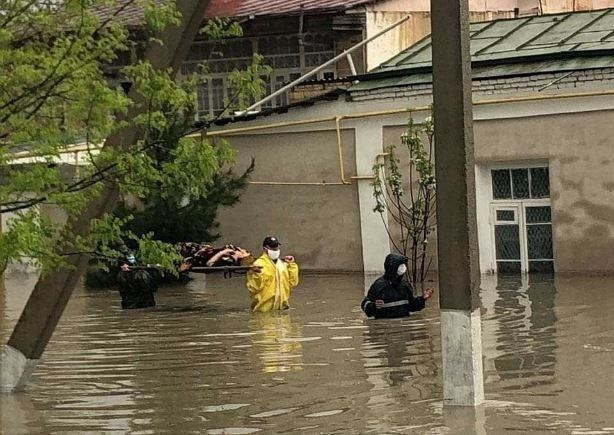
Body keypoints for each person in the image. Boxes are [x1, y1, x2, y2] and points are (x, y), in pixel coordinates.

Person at [361, 253, 433, 319]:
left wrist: (423, 298)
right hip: (385, 328)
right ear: (392, 267)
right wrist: (373, 306)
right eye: (400, 265)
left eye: (403, 265)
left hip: (404, 328)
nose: (403, 268)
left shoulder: (405, 285)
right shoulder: (378, 286)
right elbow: (365, 306)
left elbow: (412, 306)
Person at [246, 236, 299, 312]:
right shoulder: (258, 265)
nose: (275, 250)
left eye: (276, 248)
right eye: (272, 248)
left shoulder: (282, 264)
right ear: (265, 249)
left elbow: (292, 282)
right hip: (263, 311)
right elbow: (254, 288)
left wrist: (292, 265)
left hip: (282, 309)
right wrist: (256, 274)